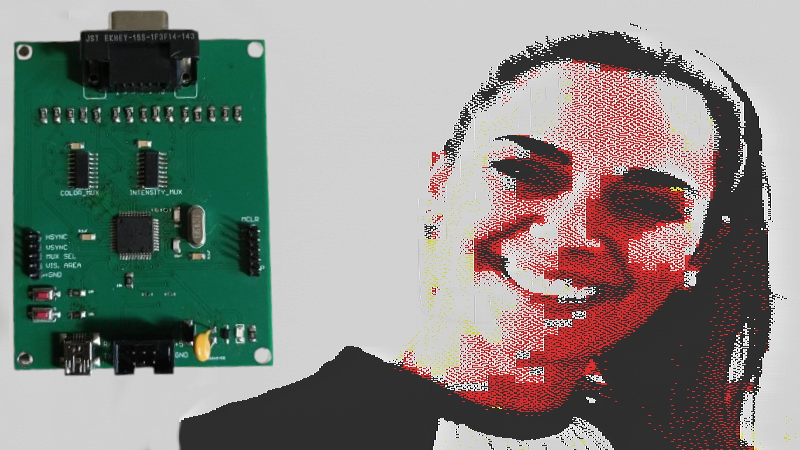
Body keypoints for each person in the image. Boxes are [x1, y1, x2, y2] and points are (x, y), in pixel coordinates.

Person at [179, 31, 771, 450]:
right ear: (439, 187)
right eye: (525, 172)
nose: (569, 235)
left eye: (645, 204)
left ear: (702, 250)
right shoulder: (237, 441)